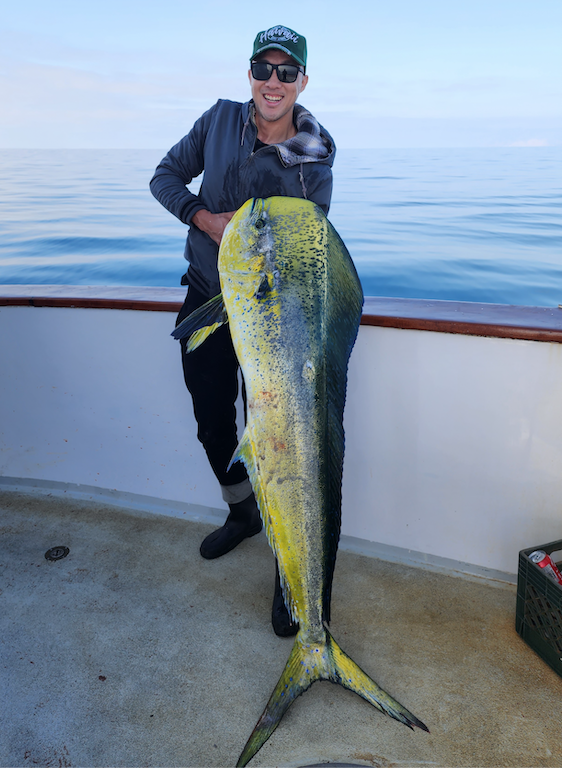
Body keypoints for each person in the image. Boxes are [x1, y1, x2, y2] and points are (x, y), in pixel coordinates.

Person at [150, 25, 335, 637]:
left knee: (283, 443)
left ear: (302, 81)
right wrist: (205, 219)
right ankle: (242, 513)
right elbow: (165, 178)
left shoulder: (313, 154)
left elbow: (307, 244)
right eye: (264, 69)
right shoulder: (219, 121)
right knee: (211, 422)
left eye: (287, 72)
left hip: (273, 321)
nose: (273, 82)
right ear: (250, 74)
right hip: (207, 297)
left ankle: (290, 572)